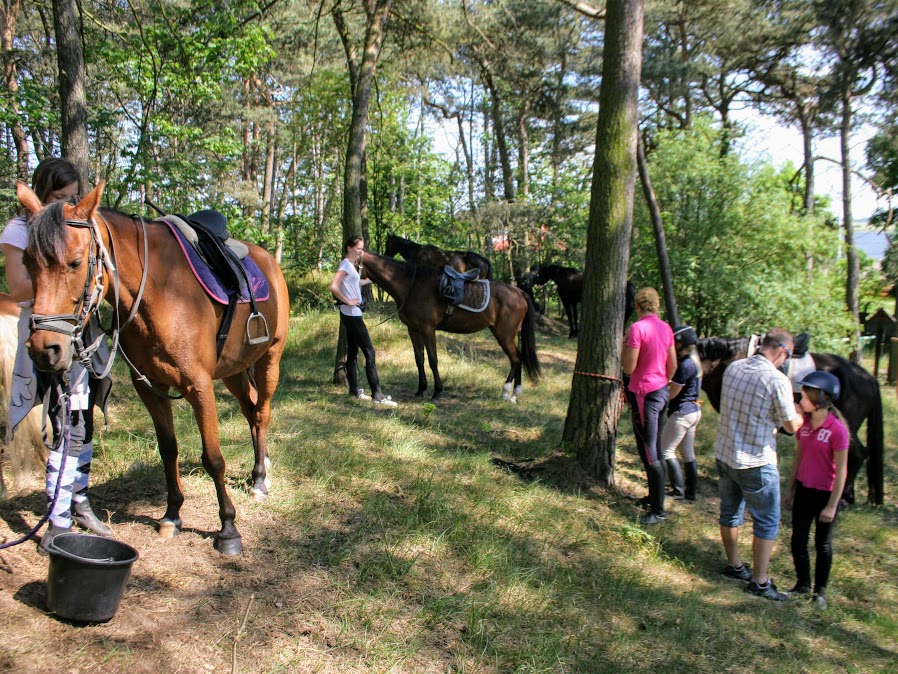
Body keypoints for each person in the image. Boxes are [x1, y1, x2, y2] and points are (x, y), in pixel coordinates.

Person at [1, 157, 113, 553]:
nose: (66, 205)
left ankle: (78, 500)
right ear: (41, 193)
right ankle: (57, 519)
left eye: (72, 197)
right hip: (47, 335)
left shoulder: (76, 226)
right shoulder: (21, 229)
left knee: (81, 420)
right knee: (63, 424)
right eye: (57, 197)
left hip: (79, 333)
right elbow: (17, 288)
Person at [715, 328, 803, 600]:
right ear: (781, 351)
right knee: (766, 522)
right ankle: (760, 580)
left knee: (731, 513)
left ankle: (734, 565)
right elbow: (789, 424)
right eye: (787, 356)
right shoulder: (776, 380)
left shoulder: (734, 368)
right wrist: (799, 415)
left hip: (726, 453)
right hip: (756, 460)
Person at [784, 370, 849, 609]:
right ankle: (802, 584)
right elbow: (798, 457)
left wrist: (832, 504)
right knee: (797, 541)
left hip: (825, 495)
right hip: (803, 489)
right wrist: (790, 489)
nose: (801, 401)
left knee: (823, 544)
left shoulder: (837, 430)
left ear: (821, 399)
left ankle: (819, 592)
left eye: (805, 397)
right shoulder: (805, 425)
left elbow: (842, 470)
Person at [622, 287, 676, 525]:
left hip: (644, 394)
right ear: (657, 306)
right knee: (654, 446)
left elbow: (628, 368)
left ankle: (658, 510)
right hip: (661, 391)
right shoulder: (665, 328)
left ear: (637, 306)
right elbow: (672, 364)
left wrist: (626, 349)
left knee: (649, 450)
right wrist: (661, 380)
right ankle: (654, 496)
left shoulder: (637, 329)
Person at [329, 235, 397, 408]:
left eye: (362, 248)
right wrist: (348, 300)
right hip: (352, 313)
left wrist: (368, 280)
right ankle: (377, 394)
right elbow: (334, 286)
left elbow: (352, 281)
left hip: (349, 314)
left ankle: (354, 390)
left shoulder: (351, 266)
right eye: (359, 248)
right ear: (350, 248)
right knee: (369, 352)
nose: (361, 251)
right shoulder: (345, 264)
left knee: (352, 351)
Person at [660, 325, 702, 502]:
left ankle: (677, 491)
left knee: (665, 451)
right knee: (687, 452)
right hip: (693, 412)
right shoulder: (694, 360)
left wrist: (659, 399)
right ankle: (691, 494)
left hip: (682, 413)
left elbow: (673, 392)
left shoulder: (685, 364)